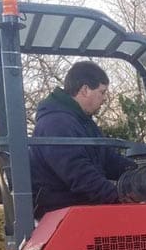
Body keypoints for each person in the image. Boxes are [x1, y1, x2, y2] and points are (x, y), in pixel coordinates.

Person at [30, 60, 136, 218]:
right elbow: (79, 174)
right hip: (61, 209)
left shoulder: (83, 122)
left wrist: (138, 172)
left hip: (76, 205)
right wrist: (118, 198)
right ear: (85, 90)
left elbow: (107, 159)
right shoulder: (57, 123)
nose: (105, 98)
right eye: (102, 92)